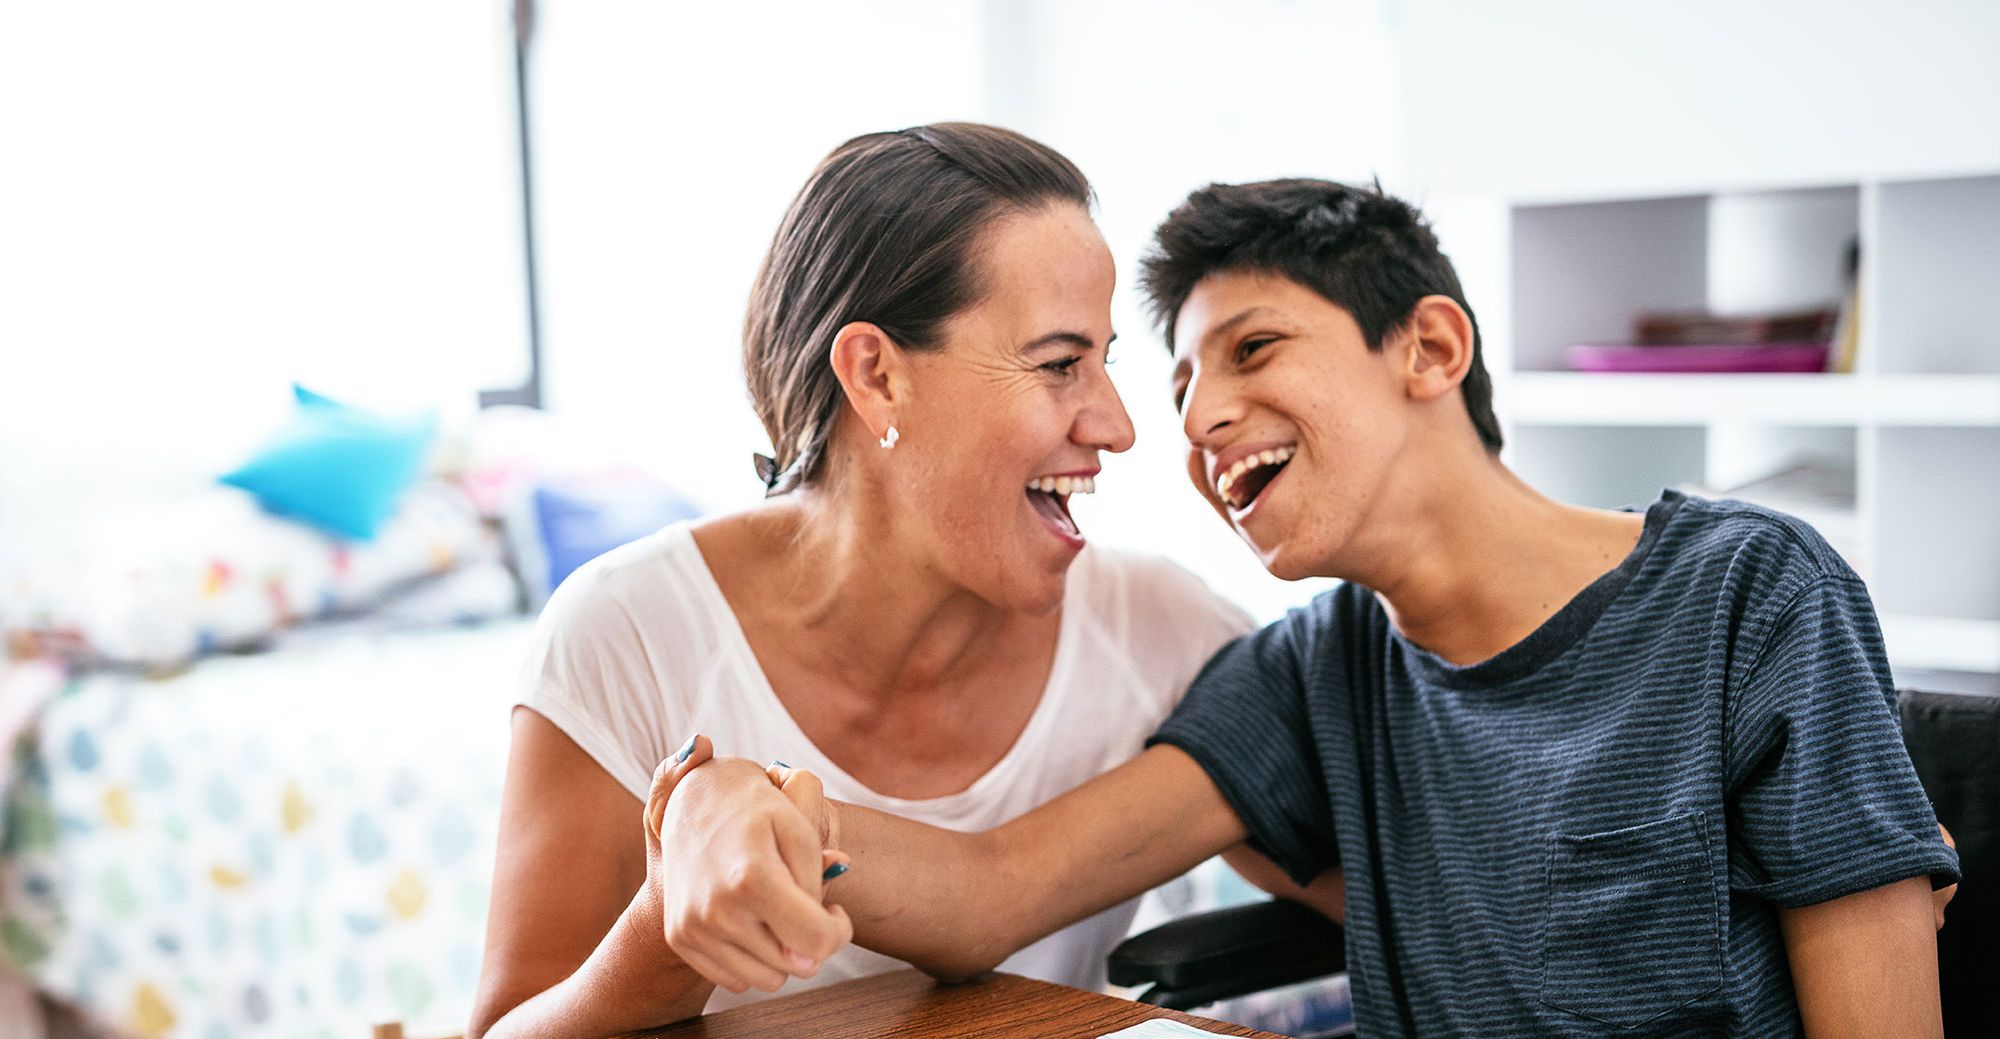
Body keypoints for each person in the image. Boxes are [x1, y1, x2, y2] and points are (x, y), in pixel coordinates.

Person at [653, 178, 1963, 1037]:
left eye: (1255, 349)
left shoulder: (1750, 593)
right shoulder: (1309, 673)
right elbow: (997, 886)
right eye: (1175, 389)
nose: (1197, 418)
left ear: (1430, 350)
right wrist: (747, 807)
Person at [465, 123, 1282, 1039]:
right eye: (1059, 364)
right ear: (876, 375)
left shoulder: (1164, 631)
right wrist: (670, 919)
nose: (1119, 425)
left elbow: (1362, 873)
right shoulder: (628, 632)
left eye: (1105, 361)